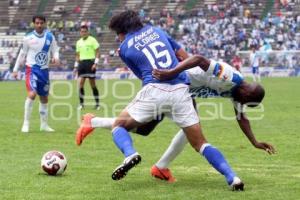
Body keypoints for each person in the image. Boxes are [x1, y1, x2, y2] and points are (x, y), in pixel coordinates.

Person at [77, 10, 244, 191]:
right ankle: (232, 177)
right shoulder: (158, 31)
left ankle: (130, 154)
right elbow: (182, 55)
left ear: (123, 31)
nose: (118, 38)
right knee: (201, 143)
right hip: (181, 90)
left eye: (118, 34)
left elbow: (142, 74)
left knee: (119, 125)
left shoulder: (124, 48)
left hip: (155, 88)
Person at [76, 55, 275, 183]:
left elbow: (242, 118)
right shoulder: (230, 76)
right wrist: (172, 72)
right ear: (246, 91)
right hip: (172, 83)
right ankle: (159, 167)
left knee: (147, 129)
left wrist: (255, 142)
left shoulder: (239, 93)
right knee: (155, 128)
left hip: (184, 93)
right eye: (247, 101)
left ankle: (159, 167)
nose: (244, 104)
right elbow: (198, 59)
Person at [12, 15, 60, 133]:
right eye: (37, 23)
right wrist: (15, 69)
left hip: (44, 71)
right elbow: (22, 54)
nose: (39, 25)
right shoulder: (28, 38)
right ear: (33, 24)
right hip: (32, 70)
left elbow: (55, 50)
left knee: (44, 98)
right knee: (32, 94)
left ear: (45, 23)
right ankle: (26, 123)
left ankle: (44, 125)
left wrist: (56, 57)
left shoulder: (50, 36)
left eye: (41, 23)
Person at [74, 25, 100, 110]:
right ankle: (81, 104)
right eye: (82, 31)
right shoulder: (78, 42)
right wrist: (76, 66)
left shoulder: (93, 40)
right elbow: (77, 55)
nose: (83, 33)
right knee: (81, 84)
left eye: (85, 31)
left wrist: (95, 63)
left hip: (90, 63)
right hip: (82, 64)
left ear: (88, 32)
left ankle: (97, 104)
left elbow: (97, 52)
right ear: (80, 32)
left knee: (92, 84)